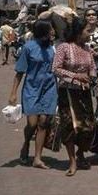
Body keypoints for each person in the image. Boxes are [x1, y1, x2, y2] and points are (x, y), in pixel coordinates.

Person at [8, 20, 58, 168]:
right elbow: (20, 72)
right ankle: (26, 144)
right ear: (43, 32)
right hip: (32, 89)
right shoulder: (28, 48)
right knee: (32, 123)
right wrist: (13, 93)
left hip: (49, 89)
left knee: (44, 122)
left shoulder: (53, 49)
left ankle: (37, 158)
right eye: (50, 30)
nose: (53, 32)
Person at [53, 18, 96, 176]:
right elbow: (56, 69)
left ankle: (81, 152)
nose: (90, 34)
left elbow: (92, 68)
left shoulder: (87, 49)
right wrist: (75, 76)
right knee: (70, 127)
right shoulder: (64, 47)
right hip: (67, 93)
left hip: (84, 93)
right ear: (78, 32)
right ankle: (72, 160)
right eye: (88, 31)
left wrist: (91, 77)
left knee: (88, 127)